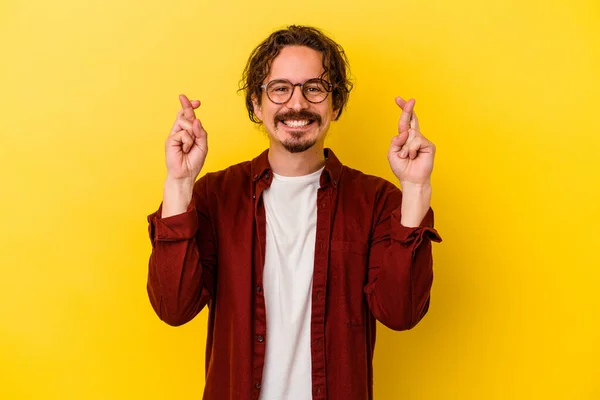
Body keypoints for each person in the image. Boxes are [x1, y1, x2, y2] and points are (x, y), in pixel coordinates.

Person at [146, 25, 442, 400]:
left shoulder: (377, 201)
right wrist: (179, 182)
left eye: (314, 88)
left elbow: (401, 314)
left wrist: (415, 190)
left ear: (335, 104)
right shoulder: (214, 196)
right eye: (280, 88)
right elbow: (174, 307)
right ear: (257, 104)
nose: (297, 103)